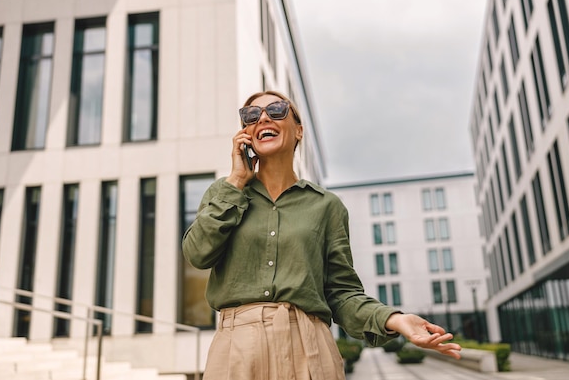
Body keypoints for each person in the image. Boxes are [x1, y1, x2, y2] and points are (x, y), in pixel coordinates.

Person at [182, 90, 461, 379]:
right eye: (251, 115)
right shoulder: (225, 192)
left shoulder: (326, 206)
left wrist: (394, 319)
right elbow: (198, 254)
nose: (263, 117)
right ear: (245, 134)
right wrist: (237, 180)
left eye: (276, 110)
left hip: (309, 348)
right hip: (237, 351)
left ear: (298, 130)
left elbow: (341, 293)